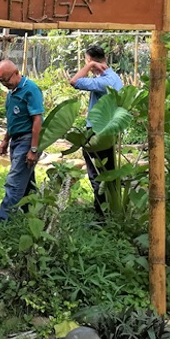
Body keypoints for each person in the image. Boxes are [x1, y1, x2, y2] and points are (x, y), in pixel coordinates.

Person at [70, 45, 124, 217]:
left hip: (96, 133)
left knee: (97, 175)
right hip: (109, 130)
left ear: (90, 60)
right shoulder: (115, 78)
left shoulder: (103, 82)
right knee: (107, 173)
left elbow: (74, 81)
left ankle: (101, 216)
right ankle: (111, 212)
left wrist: (88, 66)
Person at [0, 59, 44, 222]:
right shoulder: (12, 92)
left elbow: (37, 120)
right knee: (27, 183)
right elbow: (13, 121)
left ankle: (3, 222)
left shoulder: (30, 89)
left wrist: (34, 149)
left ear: (16, 73)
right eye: (0, 81)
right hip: (16, 140)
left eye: (6, 80)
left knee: (14, 181)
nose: (4, 84)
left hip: (27, 141)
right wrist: (5, 141)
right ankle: (31, 216)